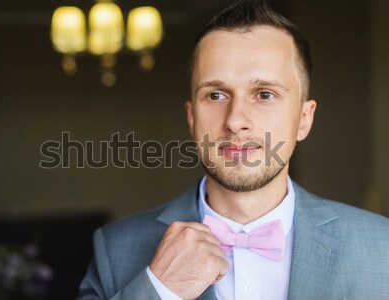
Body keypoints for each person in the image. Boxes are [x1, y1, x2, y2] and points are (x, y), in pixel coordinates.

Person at [78, 0, 389, 299]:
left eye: (264, 94)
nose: (236, 121)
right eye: (215, 95)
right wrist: (160, 291)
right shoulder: (113, 249)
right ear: (191, 118)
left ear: (304, 120)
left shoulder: (381, 246)